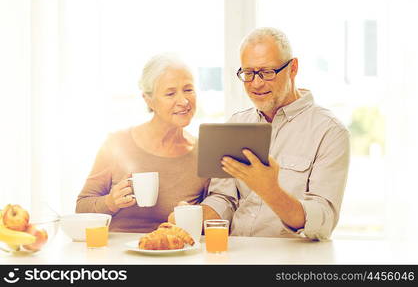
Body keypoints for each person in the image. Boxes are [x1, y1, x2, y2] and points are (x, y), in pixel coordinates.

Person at [170, 27, 350, 241]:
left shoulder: (329, 131)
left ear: (293, 68)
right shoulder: (236, 123)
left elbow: (323, 222)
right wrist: (193, 217)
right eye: (248, 73)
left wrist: (271, 191)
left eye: (267, 72)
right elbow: (223, 199)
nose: (256, 83)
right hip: (235, 254)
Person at [76, 53, 209, 232]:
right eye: (170, 93)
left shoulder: (203, 153)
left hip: (175, 254)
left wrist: (194, 216)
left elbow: (214, 217)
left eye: (188, 89)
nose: (184, 101)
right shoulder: (117, 143)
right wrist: (110, 202)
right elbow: (81, 208)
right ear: (148, 100)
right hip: (119, 256)